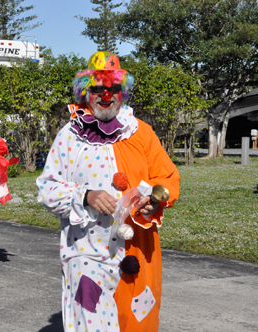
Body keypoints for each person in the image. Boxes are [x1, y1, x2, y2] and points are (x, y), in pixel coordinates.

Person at [36, 51, 180, 332]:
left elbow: (167, 177)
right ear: (85, 93)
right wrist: (85, 196)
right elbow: (47, 188)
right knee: (92, 321)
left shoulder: (141, 133)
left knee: (137, 321)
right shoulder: (70, 135)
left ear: (122, 92)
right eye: (97, 88)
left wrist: (156, 200)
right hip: (85, 252)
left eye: (113, 88)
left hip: (136, 249)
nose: (106, 95)